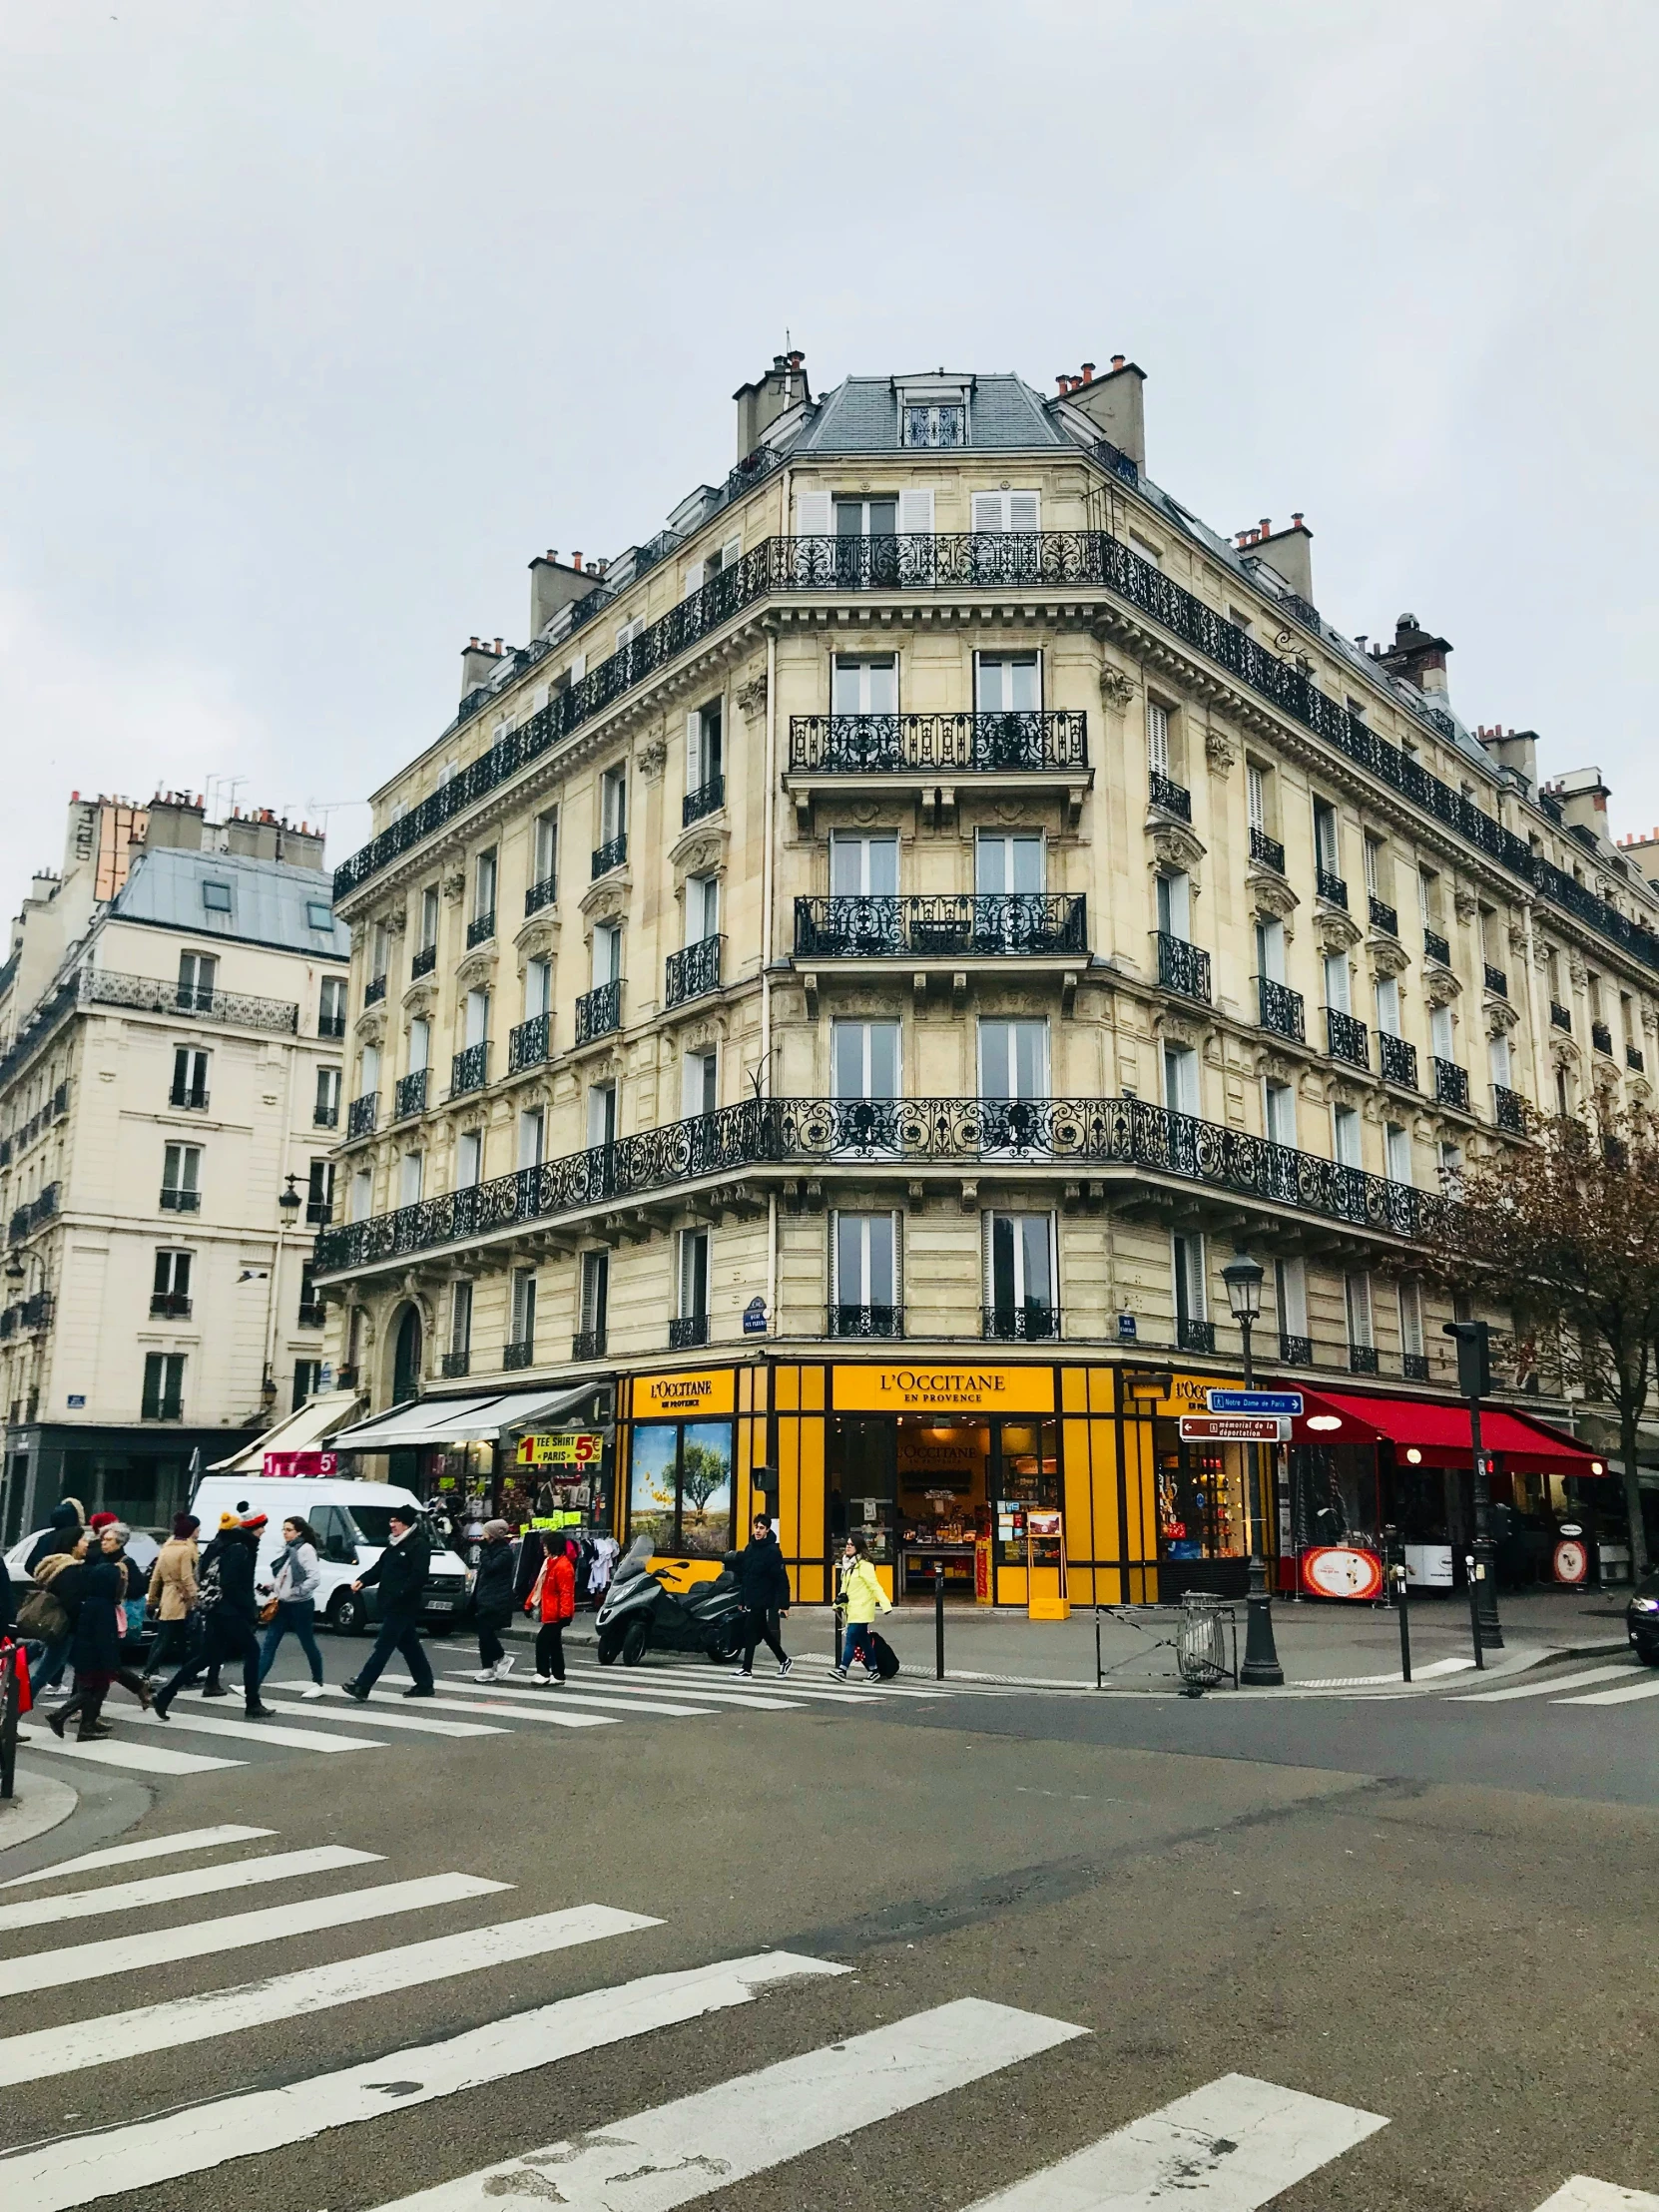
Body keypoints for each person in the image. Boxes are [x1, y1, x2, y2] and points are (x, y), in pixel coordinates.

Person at [153, 1513, 276, 1721]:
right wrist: (248, 1610)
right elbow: (231, 1584)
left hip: (216, 1610)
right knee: (253, 1652)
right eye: (261, 1527)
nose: (263, 1531)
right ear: (253, 1528)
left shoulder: (227, 1544)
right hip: (229, 1611)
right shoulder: (240, 1548)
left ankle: (165, 1695)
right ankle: (253, 1703)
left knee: (206, 1657)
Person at [50, 1522, 151, 1742]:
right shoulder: (102, 1604)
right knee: (93, 1686)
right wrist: (110, 1660)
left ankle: (86, 1721)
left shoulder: (101, 1590)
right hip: (95, 1654)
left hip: (89, 1652)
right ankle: (66, 1717)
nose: (103, 1543)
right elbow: (104, 1639)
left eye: (108, 1540)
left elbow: (137, 1587)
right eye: (103, 1539)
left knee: (94, 1686)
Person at [342, 1504, 434, 1700]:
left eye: (396, 1521)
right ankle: (425, 1684)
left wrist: (401, 1593)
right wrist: (363, 1580)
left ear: (406, 1523)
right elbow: (380, 1568)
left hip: (402, 1604)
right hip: (392, 1603)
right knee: (410, 1646)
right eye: (391, 1520)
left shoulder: (419, 1545)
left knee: (383, 1645)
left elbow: (419, 1576)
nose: (391, 1524)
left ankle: (362, 1685)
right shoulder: (395, 1544)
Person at [258, 1516, 326, 1696]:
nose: (285, 1533)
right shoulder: (290, 1550)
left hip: (301, 1606)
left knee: (307, 1643)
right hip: (283, 1605)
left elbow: (314, 1578)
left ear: (299, 1532)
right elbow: (286, 1576)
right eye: (284, 1529)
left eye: (288, 1530)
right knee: (269, 1644)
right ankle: (253, 1684)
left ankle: (318, 1683)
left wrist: (297, 1591)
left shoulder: (305, 1550)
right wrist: (272, 1586)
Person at [28, 1529, 92, 1698]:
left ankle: (84, 1708)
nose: (87, 1544)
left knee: (86, 1667)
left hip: (59, 1626)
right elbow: (70, 1602)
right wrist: (83, 1612)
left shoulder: (60, 1567)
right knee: (44, 1672)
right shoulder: (70, 1571)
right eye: (83, 1540)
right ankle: (18, 1704)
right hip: (64, 1629)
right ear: (73, 1545)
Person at [735, 1512, 794, 1678]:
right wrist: (742, 1599)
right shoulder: (750, 1548)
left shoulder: (773, 1551)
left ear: (767, 1530)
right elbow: (746, 1576)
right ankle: (784, 1660)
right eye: (756, 1527)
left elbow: (781, 1579)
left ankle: (747, 1668)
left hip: (764, 1597)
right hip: (751, 1596)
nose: (758, 1531)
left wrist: (784, 1605)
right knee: (763, 1631)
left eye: (761, 1528)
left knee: (750, 1629)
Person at [146, 1513, 200, 1678]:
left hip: (167, 1598)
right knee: (174, 1639)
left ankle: (185, 1672)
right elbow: (186, 1577)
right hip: (181, 1598)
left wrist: (153, 1599)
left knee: (171, 1637)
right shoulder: (186, 1550)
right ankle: (148, 1672)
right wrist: (196, 1596)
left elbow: (155, 1578)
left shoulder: (165, 1549)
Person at [834, 1532, 891, 1681]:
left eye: (851, 1544)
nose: (848, 1547)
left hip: (862, 1609)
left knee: (851, 1639)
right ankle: (874, 1670)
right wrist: (838, 1603)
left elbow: (874, 1586)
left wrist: (885, 1604)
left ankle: (842, 1669)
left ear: (858, 1547)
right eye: (847, 1544)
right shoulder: (848, 1565)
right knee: (865, 1641)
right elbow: (844, 1588)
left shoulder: (864, 1565)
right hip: (852, 1609)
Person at [470, 1520, 517, 1682]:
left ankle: (502, 1657)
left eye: (486, 1533)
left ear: (493, 1535)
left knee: (486, 1632)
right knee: (483, 1634)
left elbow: (491, 1568)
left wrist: (483, 1552)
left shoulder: (504, 1553)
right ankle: (487, 1668)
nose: (483, 1536)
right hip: (485, 1596)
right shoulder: (491, 1550)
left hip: (497, 1598)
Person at [527, 1537, 576, 1686]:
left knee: (542, 1642)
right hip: (551, 1611)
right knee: (554, 1644)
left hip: (556, 1613)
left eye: (546, 1545)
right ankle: (558, 1674)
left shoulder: (562, 1566)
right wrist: (529, 1604)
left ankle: (543, 1673)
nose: (543, 1548)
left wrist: (565, 1614)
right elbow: (539, 1587)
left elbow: (566, 1592)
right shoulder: (549, 1563)